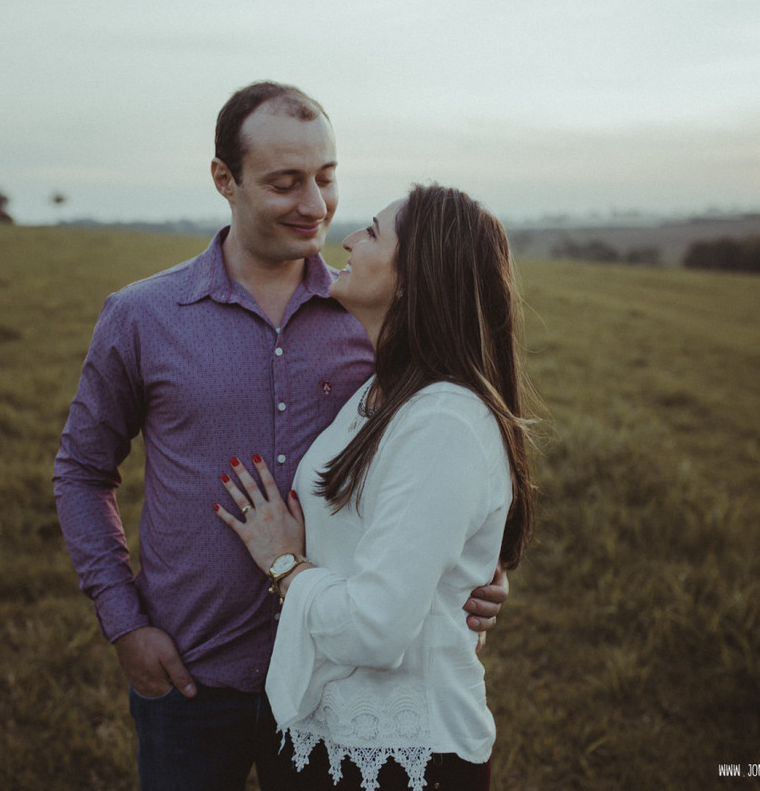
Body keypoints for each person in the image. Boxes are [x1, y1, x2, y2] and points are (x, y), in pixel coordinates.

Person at [53, 83, 509, 791]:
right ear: (224, 180)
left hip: (338, 690)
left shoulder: (373, 319)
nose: (316, 206)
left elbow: (438, 478)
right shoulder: (142, 317)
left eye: (326, 178)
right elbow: (82, 471)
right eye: (285, 182)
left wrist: (473, 573)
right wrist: (123, 620)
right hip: (194, 676)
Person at [215, 184, 538, 791]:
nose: (348, 239)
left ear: (414, 277)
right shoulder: (376, 395)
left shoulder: (444, 421)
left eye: (371, 231)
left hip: (404, 758)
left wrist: (284, 565)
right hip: (325, 738)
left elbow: (376, 628)